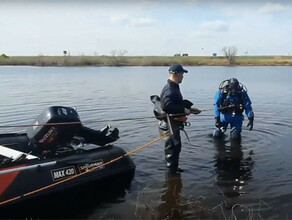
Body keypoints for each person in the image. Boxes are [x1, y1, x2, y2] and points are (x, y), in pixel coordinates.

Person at [158, 64, 201, 173]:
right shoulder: (169, 89)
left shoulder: (174, 87)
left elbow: (175, 103)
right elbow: (166, 106)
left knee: (176, 148)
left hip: (173, 124)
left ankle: (174, 172)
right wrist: (184, 109)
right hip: (169, 126)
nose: (183, 76)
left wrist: (190, 109)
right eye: (182, 74)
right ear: (176, 74)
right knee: (172, 149)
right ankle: (171, 174)